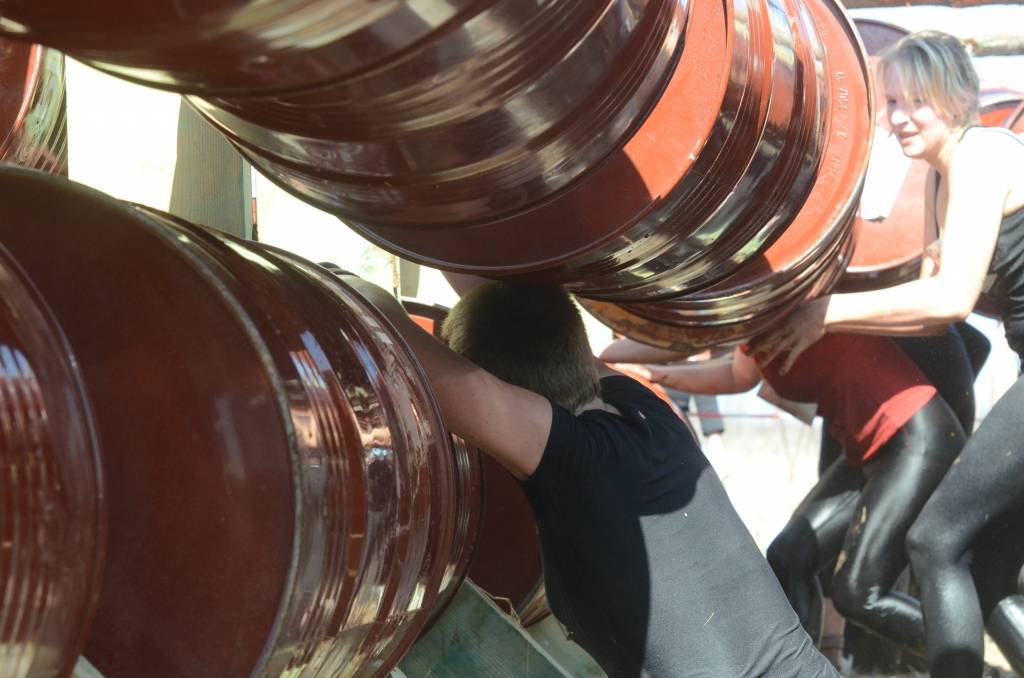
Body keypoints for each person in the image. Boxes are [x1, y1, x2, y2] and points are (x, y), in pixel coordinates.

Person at [344, 277, 838, 677]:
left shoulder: (576, 462)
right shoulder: (644, 410)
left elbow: (429, 371)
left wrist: (349, 287)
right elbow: (529, 326)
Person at [750, 30, 1024, 678]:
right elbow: (931, 317)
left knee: (935, 544)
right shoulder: (939, 182)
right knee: (983, 579)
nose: (897, 118)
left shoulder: (983, 154)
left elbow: (950, 299)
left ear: (956, 97)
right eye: (891, 102)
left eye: (914, 102)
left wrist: (825, 313)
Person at [602, 333, 964, 655]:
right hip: (867, 450)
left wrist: (600, 354)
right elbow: (737, 376)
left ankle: (973, 664)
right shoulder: (752, 331)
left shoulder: (784, 304)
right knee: (789, 558)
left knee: (858, 593)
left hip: (915, 439)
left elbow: (681, 339)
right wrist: (654, 374)